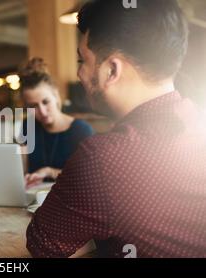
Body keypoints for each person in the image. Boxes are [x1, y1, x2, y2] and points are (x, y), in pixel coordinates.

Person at [27, 0, 206, 257]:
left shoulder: (102, 158)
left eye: (82, 60)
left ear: (111, 70)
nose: (79, 73)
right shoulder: (199, 119)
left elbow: (43, 245)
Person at [19, 58, 94, 187]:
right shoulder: (28, 126)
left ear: (56, 96)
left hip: (69, 199)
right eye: (33, 106)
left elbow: (90, 178)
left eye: (45, 102)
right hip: (33, 199)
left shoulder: (81, 130)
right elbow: (22, 171)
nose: (42, 111)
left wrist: (50, 172)